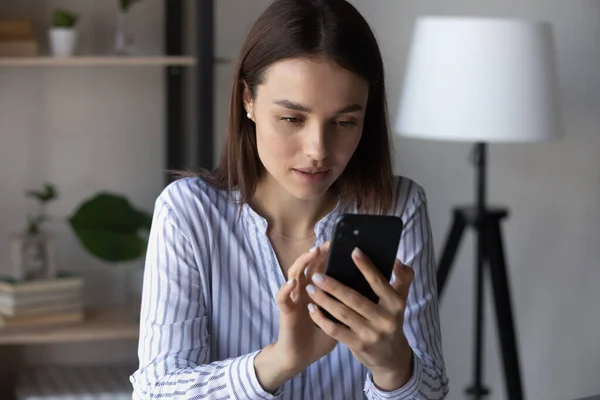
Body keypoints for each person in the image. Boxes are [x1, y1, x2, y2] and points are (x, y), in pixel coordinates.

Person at [130, 0, 449, 398]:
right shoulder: (187, 213)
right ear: (248, 100)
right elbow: (155, 392)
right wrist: (280, 361)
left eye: (345, 122)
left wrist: (393, 367)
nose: (318, 149)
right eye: (292, 119)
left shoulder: (397, 205)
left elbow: (432, 389)